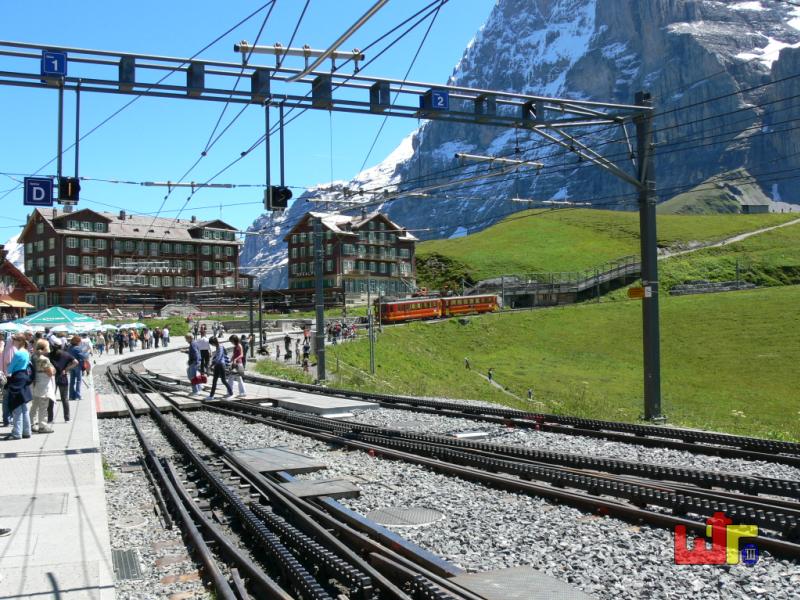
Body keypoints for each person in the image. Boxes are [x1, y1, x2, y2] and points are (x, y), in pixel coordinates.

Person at [5, 334, 32, 440]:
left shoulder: (18, 353)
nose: (13, 341)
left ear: (19, 341)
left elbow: (9, 369)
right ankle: (27, 431)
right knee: (23, 407)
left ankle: (17, 433)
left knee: (16, 407)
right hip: (24, 378)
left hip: (16, 379)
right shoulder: (26, 352)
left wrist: (9, 366)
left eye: (14, 339)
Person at [48, 338, 78, 423]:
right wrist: (67, 368)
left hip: (52, 378)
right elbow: (76, 362)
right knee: (64, 399)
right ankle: (67, 418)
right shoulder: (66, 354)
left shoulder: (49, 355)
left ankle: (50, 418)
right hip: (63, 377)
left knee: (51, 398)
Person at [30, 340, 56, 434]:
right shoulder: (43, 359)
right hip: (44, 383)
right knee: (43, 406)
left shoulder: (33, 356)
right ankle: (43, 426)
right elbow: (50, 372)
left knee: (35, 405)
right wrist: (53, 370)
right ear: (44, 348)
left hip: (35, 382)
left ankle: (31, 424)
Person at [68, 335, 89, 400]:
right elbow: (84, 357)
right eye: (80, 341)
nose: (80, 342)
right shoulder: (78, 348)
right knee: (79, 380)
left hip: (71, 365)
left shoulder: (69, 348)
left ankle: (71, 396)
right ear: (77, 342)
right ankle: (78, 396)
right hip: (78, 365)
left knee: (72, 381)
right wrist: (87, 352)